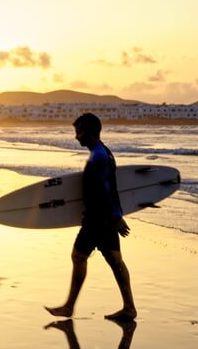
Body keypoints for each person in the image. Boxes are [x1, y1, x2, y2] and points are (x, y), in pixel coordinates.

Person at [47, 113, 136, 321]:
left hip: (97, 219)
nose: (76, 137)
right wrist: (115, 217)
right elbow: (110, 188)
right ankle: (129, 307)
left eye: (79, 132)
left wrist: (116, 216)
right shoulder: (103, 153)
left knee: (79, 257)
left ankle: (69, 306)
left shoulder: (98, 156)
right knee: (115, 262)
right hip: (104, 218)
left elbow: (108, 188)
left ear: (88, 131)